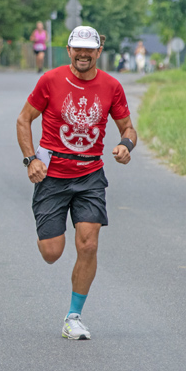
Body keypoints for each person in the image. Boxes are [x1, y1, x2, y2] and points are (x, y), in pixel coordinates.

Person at [15, 25, 137, 341]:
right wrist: (31, 159)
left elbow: (128, 128)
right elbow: (24, 119)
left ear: (99, 51)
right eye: (77, 48)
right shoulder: (50, 81)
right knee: (52, 252)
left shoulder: (111, 86)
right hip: (52, 174)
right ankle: (51, 231)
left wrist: (126, 145)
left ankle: (73, 316)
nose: (83, 54)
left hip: (90, 175)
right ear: (69, 50)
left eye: (89, 49)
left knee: (89, 243)